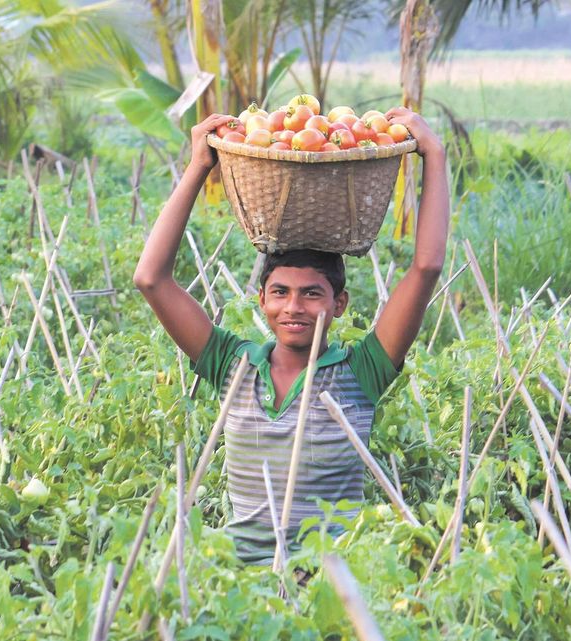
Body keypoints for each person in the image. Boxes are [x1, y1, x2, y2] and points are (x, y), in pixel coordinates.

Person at [132, 108, 449, 565]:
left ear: (338, 305)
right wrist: (200, 166)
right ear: (262, 298)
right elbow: (150, 279)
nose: (294, 308)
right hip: (241, 585)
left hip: (331, 586)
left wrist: (433, 155)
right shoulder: (233, 364)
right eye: (280, 292)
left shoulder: (361, 372)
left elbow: (427, 267)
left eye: (311, 294)